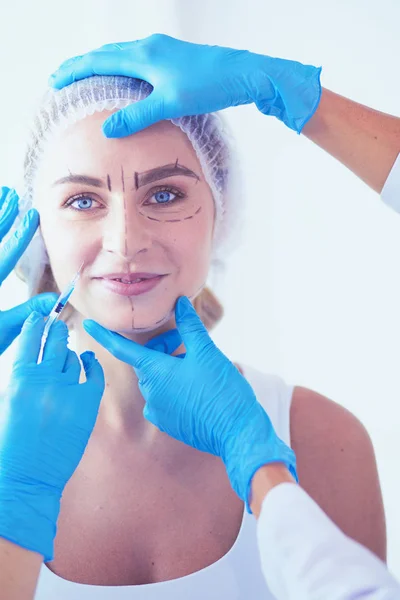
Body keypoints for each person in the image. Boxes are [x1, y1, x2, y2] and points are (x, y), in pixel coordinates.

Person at [0, 39, 391, 600]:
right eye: (83, 201)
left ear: (219, 212)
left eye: (164, 193)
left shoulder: (323, 441)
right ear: (36, 231)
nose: (125, 240)